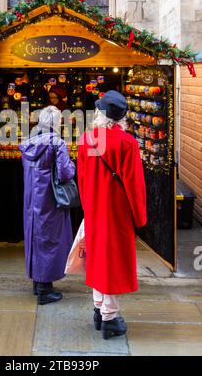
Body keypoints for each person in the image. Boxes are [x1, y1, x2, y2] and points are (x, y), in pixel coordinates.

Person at [77, 90, 147, 339]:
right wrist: (140, 217)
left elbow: (83, 180)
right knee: (113, 263)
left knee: (98, 259)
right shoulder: (127, 143)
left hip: (95, 209)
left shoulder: (88, 140)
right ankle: (109, 316)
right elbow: (134, 185)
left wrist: (88, 207)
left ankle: (99, 308)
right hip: (117, 212)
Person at [19, 105, 75, 305]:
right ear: (57, 122)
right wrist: (73, 165)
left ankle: (38, 282)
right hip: (50, 199)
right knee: (51, 239)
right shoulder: (57, 143)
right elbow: (65, 173)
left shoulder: (28, 143)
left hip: (31, 199)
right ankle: (45, 289)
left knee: (35, 237)